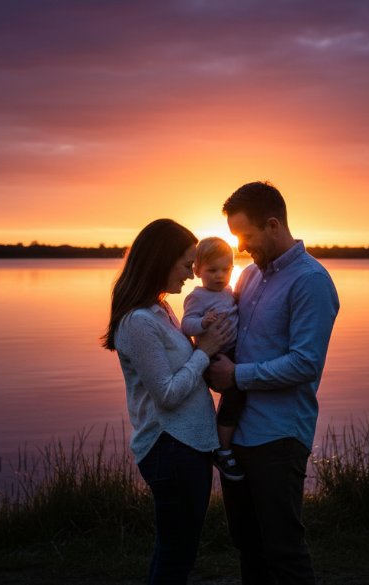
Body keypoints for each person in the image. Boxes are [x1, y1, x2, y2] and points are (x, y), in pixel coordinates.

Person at [207, 181, 339, 584]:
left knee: (284, 550)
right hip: (238, 435)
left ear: (273, 224)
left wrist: (236, 375)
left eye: (245, 235)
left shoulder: (311, 281)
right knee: (248, 544)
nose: (241, 246)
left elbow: (305, 364)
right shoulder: (247, 276)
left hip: (279, 436)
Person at [102, 218, 235, 585]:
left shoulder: (162, 310)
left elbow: (183, 374)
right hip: (170, 447)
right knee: (177, 554)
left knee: (176, 550)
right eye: (186, 265)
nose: (192, 275)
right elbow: (167, 393)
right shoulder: (139, 322)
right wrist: (204, 352)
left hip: (187, 445)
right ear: (161, 261)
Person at [181, 236, 246, 482]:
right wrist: (202, 323)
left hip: (232, 352)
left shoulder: (228, 292)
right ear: (197, 270)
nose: (220, 276)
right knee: (236, 393)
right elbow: (186, 325)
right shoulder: (197, 297)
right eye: (212, 270)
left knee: (241, 391)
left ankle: (226, 437)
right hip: (213, 356)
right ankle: (223, 448)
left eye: (225, 270)